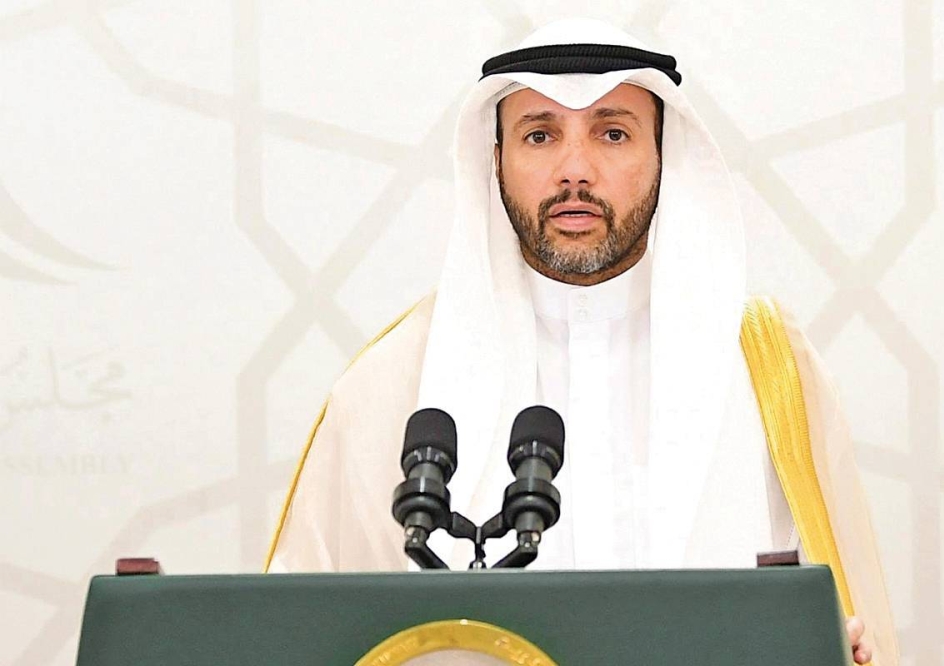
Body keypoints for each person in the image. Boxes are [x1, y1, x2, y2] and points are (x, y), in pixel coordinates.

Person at [264, 19, 898, 666]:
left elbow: (843, 610)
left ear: (664, 156)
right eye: (539, 136)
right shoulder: (394, 382)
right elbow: (301, 632)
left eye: (613, 133)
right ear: (495, 162)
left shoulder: (768, 366)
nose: (575, 171)